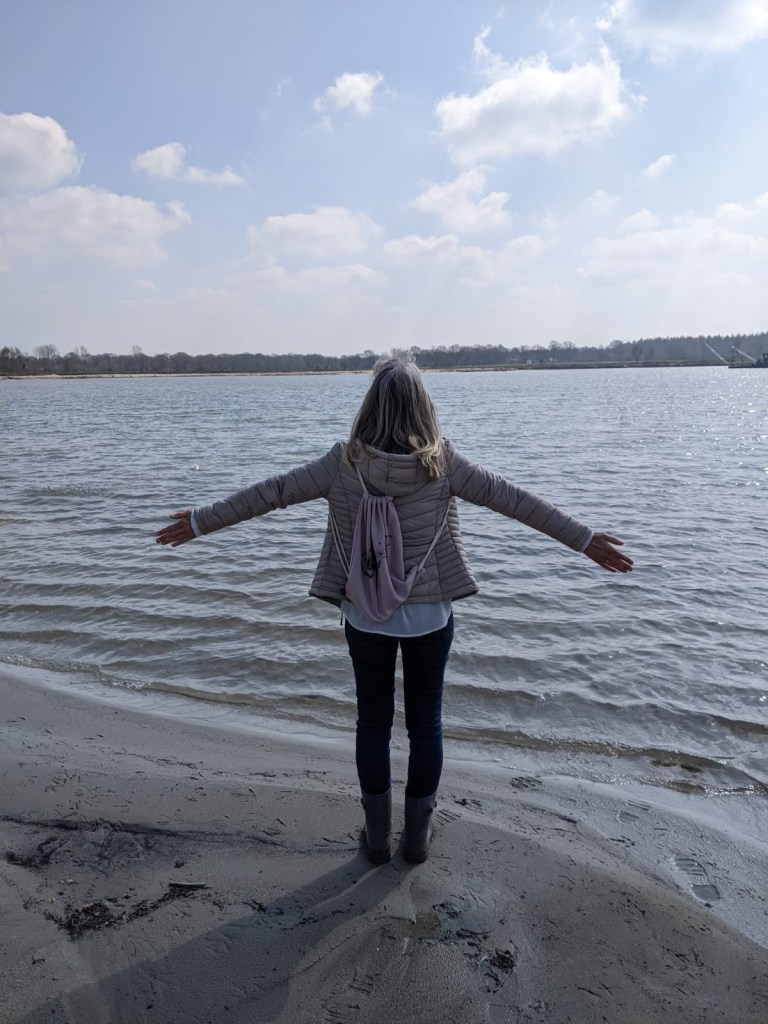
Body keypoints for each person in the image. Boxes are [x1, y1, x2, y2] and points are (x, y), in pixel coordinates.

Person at [156, 351, 633, 865]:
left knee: (373, 723)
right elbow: (514, 500)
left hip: (365, 617)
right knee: (426, 726)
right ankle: (418, 840)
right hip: (430, 619)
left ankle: (378, 837)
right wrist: (583, 540)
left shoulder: (341, 464)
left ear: (370, 406)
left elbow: (271, 493)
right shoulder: (444, 465)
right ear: (424, 406)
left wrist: (201, 522)